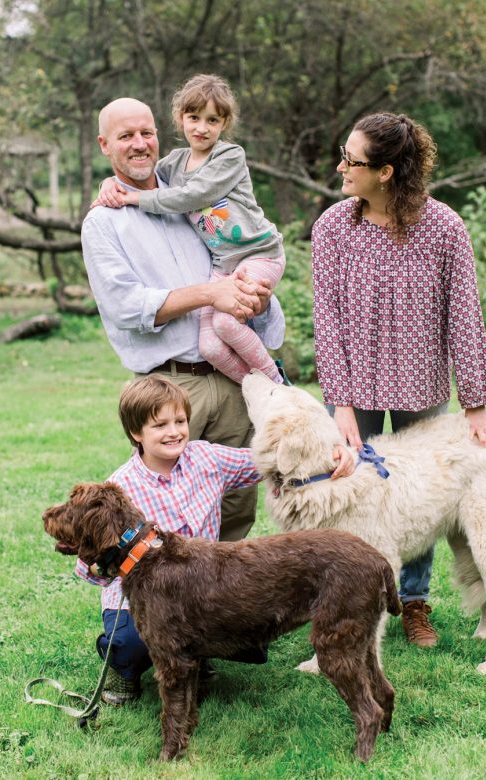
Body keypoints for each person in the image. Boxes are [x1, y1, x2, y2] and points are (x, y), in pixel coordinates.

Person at [311, 112, 486, 648]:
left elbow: (464, 313)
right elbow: (328, 321)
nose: (341, 167)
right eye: (344, 154)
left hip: (422, 389)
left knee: (417, 499)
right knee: (342, 495)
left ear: (386, 171)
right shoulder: (332, 228)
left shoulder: (443, 227)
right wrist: (339, 405)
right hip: (355, 390)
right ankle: (343, 603)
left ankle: (411, 601)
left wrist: (476, 401)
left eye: (353, 160)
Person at [81, 95, 284, 556]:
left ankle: (225, 608)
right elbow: (126, 306)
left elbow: (239, 255)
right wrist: (210, 294)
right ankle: (175, 611)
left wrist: (258, 300)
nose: (139, 144)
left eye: (146, 132)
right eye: (125, 136)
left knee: (235, 507)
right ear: (104, 145)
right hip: (170, 388)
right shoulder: (104, 222)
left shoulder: (192, 192)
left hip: (232, 378)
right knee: (171, 510)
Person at [76, 374, 354, 704]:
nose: (174, 431)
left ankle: (195, 654)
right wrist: (101, 567)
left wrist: (334, 450)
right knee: (132, 640)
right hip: (146, 598)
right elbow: (86, 568)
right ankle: (122, 667)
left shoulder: (205, 458)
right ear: (136, 433)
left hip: (200, 589)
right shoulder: (120, 490)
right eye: (160, 425)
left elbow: (265, 460)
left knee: (255, 618)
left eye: (180, 421)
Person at [94, 74, 285, 386]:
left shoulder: (229, 155)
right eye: (193, 118)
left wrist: (133, 197)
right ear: (180, 119)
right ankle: (260, 388)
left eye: (212, 120)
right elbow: (142, 171)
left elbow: (193, 195)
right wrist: (110, 185)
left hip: (257, 252)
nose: (201, 128)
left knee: (225, 324)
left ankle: (278, 387)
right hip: (224, 266)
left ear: (224, 123)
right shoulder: (175, 164)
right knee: (210, 344)